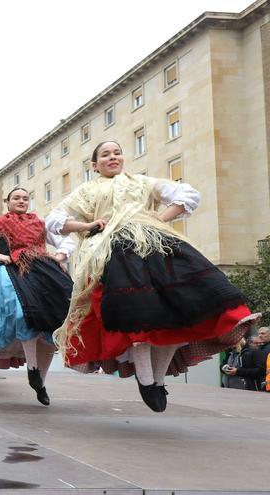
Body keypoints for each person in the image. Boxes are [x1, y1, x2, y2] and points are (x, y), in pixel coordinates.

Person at [47, 140, 259, 412]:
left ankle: (156, 381)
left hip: (157, 246)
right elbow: (55, 220)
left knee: (180, 315)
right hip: (113, 250)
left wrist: (158, 219)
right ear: (94, 164)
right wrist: (87, 225)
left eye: (117, 152)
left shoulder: (143, 182)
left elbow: (187, 194)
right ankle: (147, 381)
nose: (113, 157)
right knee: (137, 317)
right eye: (105, 154)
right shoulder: (86, 191)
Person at [0, 187, 75, 405]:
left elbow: (67, 240)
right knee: (22, 314)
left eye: (25, 198)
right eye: (17, 198)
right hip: (13, 270)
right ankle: (32, 367)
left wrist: (60, 256)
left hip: (45, 272)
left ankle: (40, 381)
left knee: (55, 324)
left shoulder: (40, 223)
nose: (21, 201)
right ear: (8, 201)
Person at [223, 327, 270, 392]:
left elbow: (260, 370)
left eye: (263, 333)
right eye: (259, 334)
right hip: (231, 387)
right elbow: (223, 363)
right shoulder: (231, 352)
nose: (260, 336)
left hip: (250, 387)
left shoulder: (253, 351)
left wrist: (237, 371)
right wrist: (224, 367)